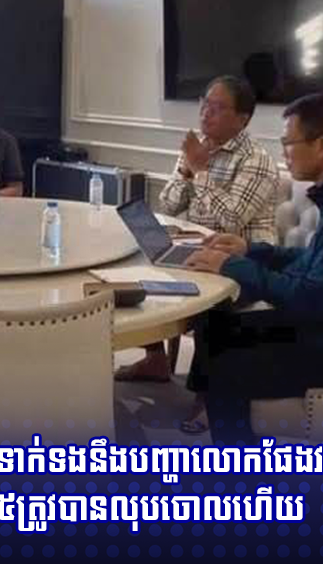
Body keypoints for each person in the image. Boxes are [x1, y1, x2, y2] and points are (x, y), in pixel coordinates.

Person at [184, 94, 323, 445]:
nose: (284, 153)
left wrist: (232, 266)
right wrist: (249, 250)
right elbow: (311, 260)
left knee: (224, 364)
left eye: (288, 143)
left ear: (321, 145)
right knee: (215, 324)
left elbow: (312, 300)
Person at [115, 75, 279, 400]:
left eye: (218, 108)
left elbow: (231, 220)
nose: (206, 113)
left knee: (210, 305)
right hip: (195, 250)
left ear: (242, 119)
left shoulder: (257, 160)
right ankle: (155, 358)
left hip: (243, 262)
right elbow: (169, 204)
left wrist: (200, 171)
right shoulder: (196, 148)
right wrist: (188, 170)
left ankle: (208, 394)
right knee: (137, 272)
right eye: (205, 103)